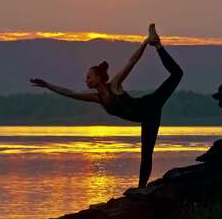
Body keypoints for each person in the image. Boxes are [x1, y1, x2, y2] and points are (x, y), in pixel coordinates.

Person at [30, 24, 183, 188]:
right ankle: (141, 190)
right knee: (146, 154)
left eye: (89, 77)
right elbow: (70, 93)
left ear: (98, 77)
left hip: (150, 104)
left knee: (177, 74)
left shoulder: (115, 85)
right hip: (147, 118)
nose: (86, 80)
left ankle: (157, 43)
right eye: (86, 78)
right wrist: (48, 85)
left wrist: (146, 42)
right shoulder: (97, 98)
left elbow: (132, 62)